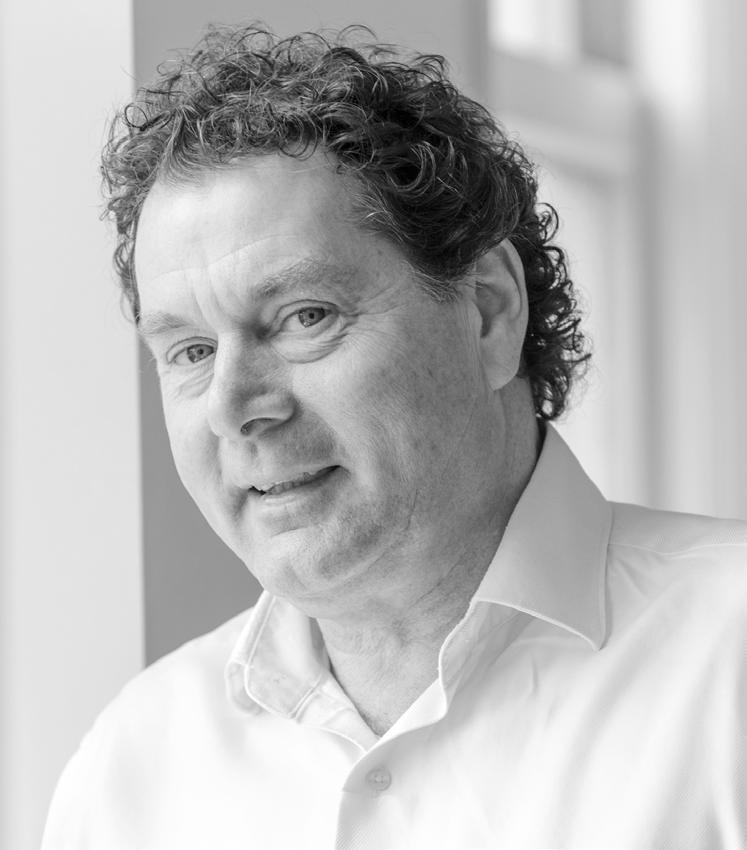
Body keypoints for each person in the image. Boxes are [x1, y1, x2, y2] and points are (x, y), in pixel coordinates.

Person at [43, 24, 745, 850]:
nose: (234, 407)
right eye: (191, 352)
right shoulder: (131, 770)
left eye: (304, 317)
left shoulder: (726, 666)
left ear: (487, 313)